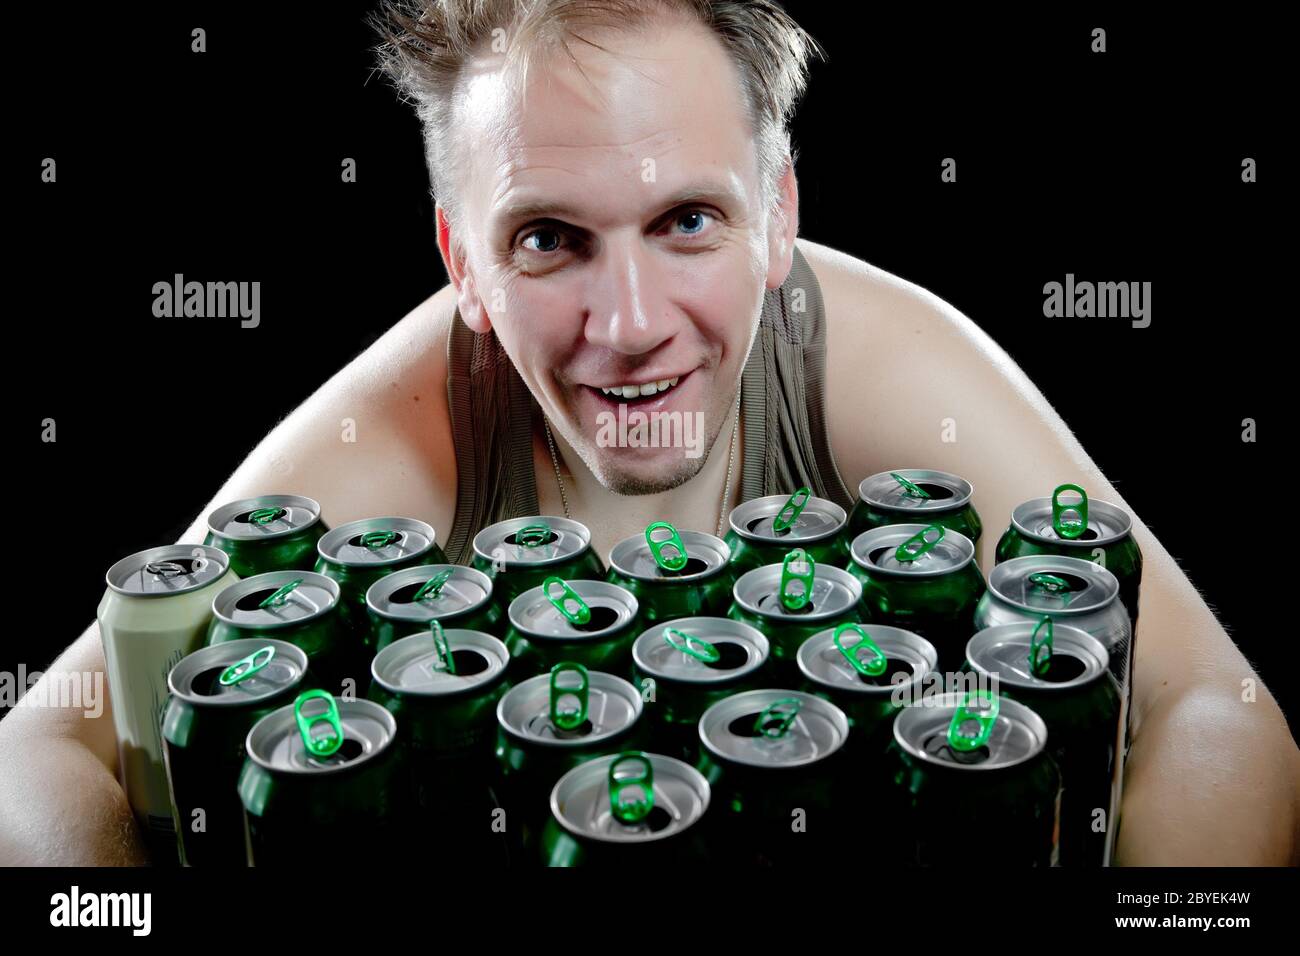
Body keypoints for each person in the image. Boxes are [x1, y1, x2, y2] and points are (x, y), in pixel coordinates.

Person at [1, 0, 1295, 866]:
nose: (630, 326)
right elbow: (43, 738)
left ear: (778, 220)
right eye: (550, 239)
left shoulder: (874, 349)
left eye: (688, 222)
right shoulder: (414, 411)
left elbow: (1217, 710)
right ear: (461, 263)